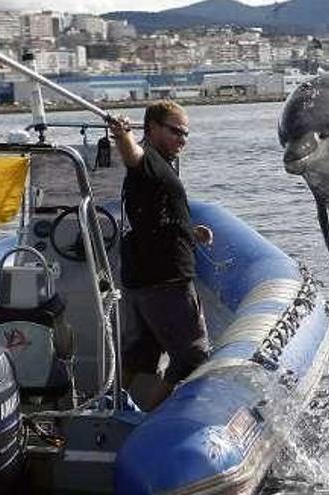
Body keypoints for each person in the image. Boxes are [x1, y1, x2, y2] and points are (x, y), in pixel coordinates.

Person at [108, 101, 212, 410]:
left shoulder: (160, 167)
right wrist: (122, 135)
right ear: (151, 128)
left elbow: (155, 218)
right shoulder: (149, 160)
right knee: (192, 355)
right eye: (176, 131)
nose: (182, 139)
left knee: (141, 353)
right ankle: (151, 417)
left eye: (186, 134)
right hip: (166, 280)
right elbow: (133, 158)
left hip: (143, 279)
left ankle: (107, 409)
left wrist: (190, 232)